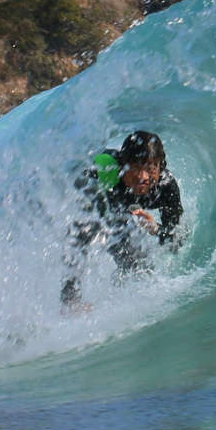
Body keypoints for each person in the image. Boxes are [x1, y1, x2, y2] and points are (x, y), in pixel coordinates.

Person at [61, 130, 183, 307]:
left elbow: (177, 239)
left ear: (160, 167)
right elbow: (77, 234)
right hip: (103, 197)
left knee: (141, 268)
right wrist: (70, 293)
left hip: (121, 205)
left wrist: (156, 229)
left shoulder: (166, 187)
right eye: (135, 168)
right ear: (123, 165)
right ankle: (70, 299)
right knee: (94, 225)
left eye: (150, 169)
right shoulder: (105, 171)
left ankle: (119, 298)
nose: (143, 177)